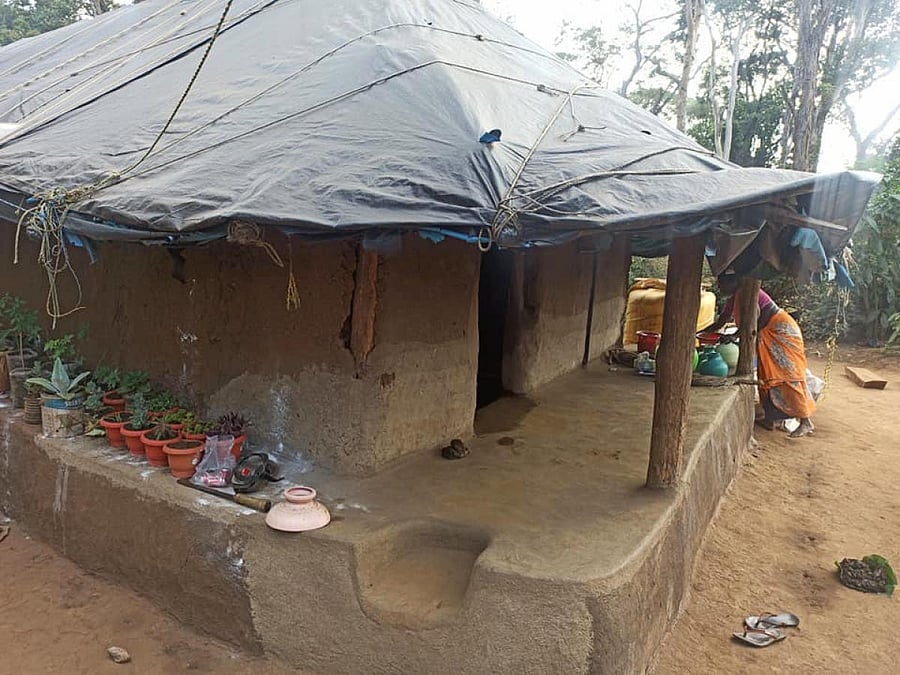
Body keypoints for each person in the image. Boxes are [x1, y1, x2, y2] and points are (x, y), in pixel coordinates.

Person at [702, 273, 815, 438]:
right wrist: (700, 332)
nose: (720, 289)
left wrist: (735, 335)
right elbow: (722, 320)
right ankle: (770, 419)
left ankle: (805, 421)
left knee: (788, 376)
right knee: (767, 374)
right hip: (767, 333)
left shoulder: (746, 294)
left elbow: (753, 319)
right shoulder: (735, 297)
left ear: (733, 282)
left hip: (780, 331)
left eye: (722, 285)